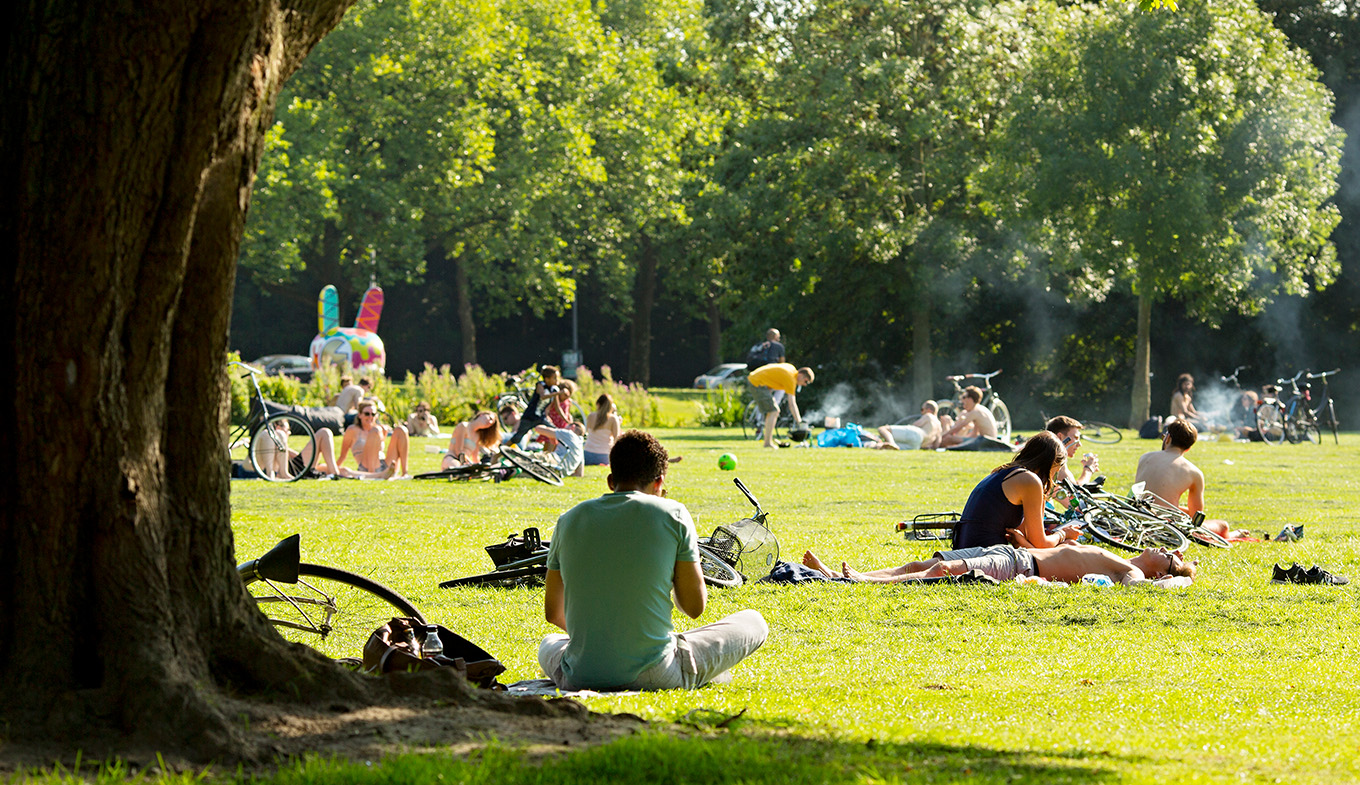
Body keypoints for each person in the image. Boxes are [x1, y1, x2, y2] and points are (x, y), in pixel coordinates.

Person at [538, 430, 768, 691]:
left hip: (579, 674)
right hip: (656, 673)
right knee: (754, 621)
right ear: (659, 482)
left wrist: (603, 639)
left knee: (550, 641)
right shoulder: (674, 513)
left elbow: (553, 612)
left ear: (611, 480)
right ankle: (704, 674)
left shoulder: (568, 519)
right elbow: (693, 608)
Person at [801, 543, 1196, 587]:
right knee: (921, 561)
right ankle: (848, 575)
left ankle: (853, 582)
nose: (1167, 551)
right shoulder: (1121, 558)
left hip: (1023, 567)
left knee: (940, 572)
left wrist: (1184, 578)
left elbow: (1148, 588)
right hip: (1011, 552)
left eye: (1171, 559)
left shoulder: (1134, 573)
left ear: (1161, 571)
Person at [950, 431, 1079, 550]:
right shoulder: (1030, 480)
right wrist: (1063, 533)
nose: (1053, 479)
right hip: (984, 555)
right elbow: (1041, 544)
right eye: (1055, 472)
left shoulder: (1004, 472)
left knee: (1069, 547)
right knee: (1069, 547)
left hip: (967, 548)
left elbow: (1025, 536)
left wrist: (1022, 542)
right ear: (1051, 464)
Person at [1135, 419, 1205, 519]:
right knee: (1223, 526)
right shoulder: (1193, 472)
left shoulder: (1145, 458)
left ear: (1168, 438)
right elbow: (1196, 516)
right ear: (1188, 448)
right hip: (1166, 525)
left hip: (1137, 516)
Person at [746, 363, 815, 449]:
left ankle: (767, 440)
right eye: (806, 381)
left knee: (774, 411)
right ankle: (767, 443)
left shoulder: (791, 369)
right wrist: (800, 423)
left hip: (757, 380)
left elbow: (773, 374)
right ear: (800, 375)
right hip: (757, 383)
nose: (805, 384)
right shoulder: (791, 379)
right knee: (773, 412)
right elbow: (792, 404)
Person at [251, 418, 344, 479]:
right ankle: (334, 472)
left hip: (295, 466)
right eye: (287, 430)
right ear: (278, 428)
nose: (289, 433)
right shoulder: (270, 439)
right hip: (292, 468)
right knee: (324, 432)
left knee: (343, 470)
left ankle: (337, 471)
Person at [336, 400, 409, 479]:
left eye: (373, 414)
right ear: (360, 415)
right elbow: (343, 455)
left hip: (383, 464)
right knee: (375, 431)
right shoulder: (352, 430)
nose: (370, 417)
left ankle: (405, 473)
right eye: (367, 414)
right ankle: (373, 474)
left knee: (401, 430)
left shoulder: (381, 429)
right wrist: (334, 469)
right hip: (366, 467)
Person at [506, 366, 562, 447]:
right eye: (555, 378)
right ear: (547, 379)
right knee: (517, 438)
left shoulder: (554, 389)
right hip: (529, 417)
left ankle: (552, 454)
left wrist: (567, 421)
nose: (557, 380)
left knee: (556, 432)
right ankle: (499, 453)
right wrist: (559, 393)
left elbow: (557, 407)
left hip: (540, 418)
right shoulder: (540, 385)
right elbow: (543, 396)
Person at [1045, 415, 1098, 486]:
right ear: (1060, 437)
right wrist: (1088, 469)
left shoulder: (1044, 452)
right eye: (1075, 438)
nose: (1079, 444)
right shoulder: (1055, 459)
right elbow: (1074, 491)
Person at [876, 400, 941, 450]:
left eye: (922, 409)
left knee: (883, 429)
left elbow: (915, 425)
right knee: (884, 447)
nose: (922, 412)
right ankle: (890, 444)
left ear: (929, 410)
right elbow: (936, 445)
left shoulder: (928, 416)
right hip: (917, 445)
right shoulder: (939, 424)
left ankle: (891, 443)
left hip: (916, 433)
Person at [583, 394, 623, 466]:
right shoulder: (613, 419)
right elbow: (616, 439)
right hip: (604, 456)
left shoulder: (591, 416)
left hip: (587, 454)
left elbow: (586, 432)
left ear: (598, 404)